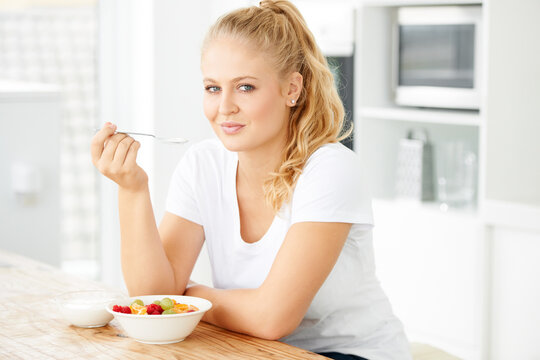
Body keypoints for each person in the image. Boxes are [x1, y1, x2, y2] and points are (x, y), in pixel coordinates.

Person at [90, 1, 412, 359]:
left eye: (245, 87)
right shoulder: (203, 164)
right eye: (213, 88)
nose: (224, 106)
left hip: (347, 354)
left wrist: (190, 297)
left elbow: (272, 318)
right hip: (254, 350)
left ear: (292, 89)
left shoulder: (331, 170)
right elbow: (153, 298)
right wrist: (131, 189)